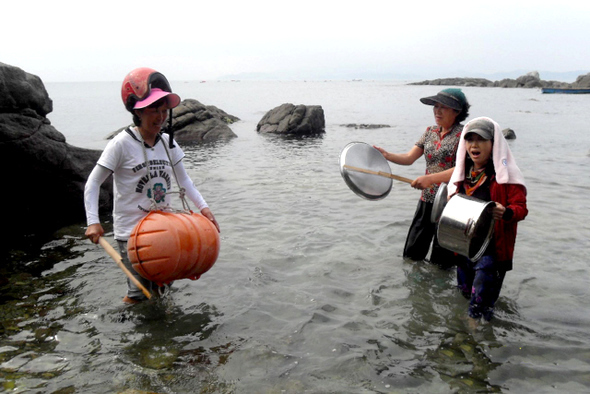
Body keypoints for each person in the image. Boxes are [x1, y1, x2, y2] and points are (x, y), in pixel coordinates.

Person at [84, 67, 220, 304]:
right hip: (131, 233)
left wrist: (204, 208)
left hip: (166, 230)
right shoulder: (121, 144)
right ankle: (127, 334)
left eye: (164, 110)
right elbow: (93, 182)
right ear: (137, 111)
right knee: (138, 294)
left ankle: (160, 336)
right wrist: (93, 222)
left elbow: (184, 180)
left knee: (163, 287)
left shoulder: (168, 143)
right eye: (153, 110)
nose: (160, 117)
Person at [374, 88, 470, 268]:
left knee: (442, 261)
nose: (437, 111)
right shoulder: (430, 132)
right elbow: (409, 158)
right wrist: (387, 155)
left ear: (457, 111)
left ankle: (438, 292)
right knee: (412, 253)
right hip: (427, 199)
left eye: (443, 107)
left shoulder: (465, 135)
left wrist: (431, 179)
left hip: (451, 203)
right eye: (435, 106)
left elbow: (463, 169)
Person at [447, 117, 528, 323]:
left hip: (492, 248)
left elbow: (521, 209)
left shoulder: (507, 175)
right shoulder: (462, 174)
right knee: (464, 293)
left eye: (481, 140)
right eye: (469, 140)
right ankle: (466, 335)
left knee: (480, 303)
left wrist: (506, 212)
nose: (474, 145)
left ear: (494, 144)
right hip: (466, 246)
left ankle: (477, 336)